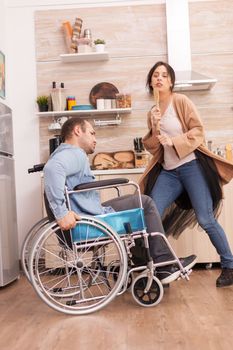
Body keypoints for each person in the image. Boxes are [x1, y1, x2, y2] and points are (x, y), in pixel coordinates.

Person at [43, 117, 197, 285]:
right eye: (92, 133)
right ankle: (164, 263)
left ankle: (145, 264)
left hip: (87, 215)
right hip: (89, 221)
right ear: (77, 131)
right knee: (144, 203)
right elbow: (52, 169)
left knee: (137, 206)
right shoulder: (74, 153)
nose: (95, 139)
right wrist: (61, 213)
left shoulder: (64, 153)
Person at [139, 61, 233, 288]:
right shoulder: (153, 111)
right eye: (155, 75)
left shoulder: (180, 101)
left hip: (192, 168)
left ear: (171, 81)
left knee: (206, 219)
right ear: (151, 82)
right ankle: (162, 267)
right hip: (169, 173)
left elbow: (198, 131)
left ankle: (229, 266)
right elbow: (153, 147)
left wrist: (173, 141)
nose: (159, 78)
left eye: (164, 75)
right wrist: (153, 129)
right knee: (149, 215)